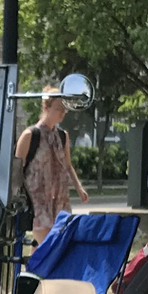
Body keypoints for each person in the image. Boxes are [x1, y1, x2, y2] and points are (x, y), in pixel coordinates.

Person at [16, 87, 89, 243]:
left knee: (49, 246)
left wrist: (79, 187)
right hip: (37, 199)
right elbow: (17, 170)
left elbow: (68, 166)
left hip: (59, 198)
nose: (63, 113)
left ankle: (34, 267)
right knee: (46, 244)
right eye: (58, 109)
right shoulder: (30, 135)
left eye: (65, 109)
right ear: (46, 107)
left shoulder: (62, 136)